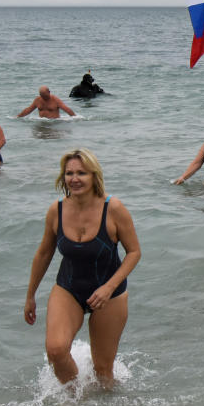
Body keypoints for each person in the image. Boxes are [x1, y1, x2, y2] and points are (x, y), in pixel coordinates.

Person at [23, 148, 141, 388]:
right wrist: (30, 296)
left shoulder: (114, 208)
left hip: (110, 294)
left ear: (94, 175)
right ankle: (75, 398)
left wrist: (109, 287)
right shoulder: (56, 210)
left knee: (103, 371)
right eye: (69, 173)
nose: (74, 179)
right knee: (56, 351)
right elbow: (44, 253)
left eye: (81, 173)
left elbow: (134, 252)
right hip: (69, 288)